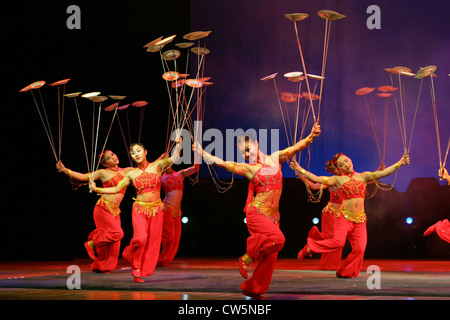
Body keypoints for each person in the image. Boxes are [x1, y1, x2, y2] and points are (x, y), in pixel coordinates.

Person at [193, 123, 321, 299]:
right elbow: (223, 163)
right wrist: (203, 153)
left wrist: (311, 137)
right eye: (243, 152)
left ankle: (253, 288)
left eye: (248, 148)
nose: (246, 154)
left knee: (270, 258)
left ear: (257, 144)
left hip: (274, 217)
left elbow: (294, 148)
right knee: (279, 240)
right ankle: (247, 257)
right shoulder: (249, 169)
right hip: (257, 213)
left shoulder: (275, 158)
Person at [290, 152, 410, 278]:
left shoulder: (364, 176)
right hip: (344, 217)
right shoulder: (337, 180)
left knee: (360, 249)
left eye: (346, 161)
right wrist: (300, 170)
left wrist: (400, 163)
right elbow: (316, 180)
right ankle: (311, 246)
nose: (346, 165)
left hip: (360, 219)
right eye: (341, 164)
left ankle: (344, 271)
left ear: (350, 160)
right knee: (338, 242)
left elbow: (383, 173)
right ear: (339, 168)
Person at [90, 141, 182, 282]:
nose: (136, 154)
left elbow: (175, 158)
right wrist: (98, 189)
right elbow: (116, 189)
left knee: (152, 242)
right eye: (133, 153)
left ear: (145, 151)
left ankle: (138, 269)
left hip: (157, 210)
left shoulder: (157, 165)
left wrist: (179, 145)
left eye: (138, 151)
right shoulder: (131, 173)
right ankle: (130, 253)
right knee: (140, 239)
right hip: (139, 209)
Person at [56, 150, 134, 273]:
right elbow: (83, 177)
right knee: (118, 233)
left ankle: (102, 266)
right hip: (103, 209)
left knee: (114, 243)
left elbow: (144, 171)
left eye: (113, 154)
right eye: (109, 158)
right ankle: (91, 244)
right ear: (104, 163)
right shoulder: (102, 172)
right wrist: (66, 170)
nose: (113, 157)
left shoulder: (127, 171)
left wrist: (161, 161)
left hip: (115, 211)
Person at [296, 159, 343, 270]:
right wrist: (303, 177)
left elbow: (366, 179)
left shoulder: (351, 179)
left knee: (338, 241)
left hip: (342, 214)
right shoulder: (332, 180)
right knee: (332, 239)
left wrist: (379, 173)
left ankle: (331, 263)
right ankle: (312, 249)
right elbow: (315, 186)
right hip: (331, 213)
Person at [158, 157, 200, 266]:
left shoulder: (180, 174)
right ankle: (155, 252)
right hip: (167, 207)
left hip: (177, 210)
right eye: (164, 164)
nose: (166, 166)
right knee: (168, 236)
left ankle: (165, 259)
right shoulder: (161, 178)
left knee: (176, 237)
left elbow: (195, 168)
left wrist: (197, 155)